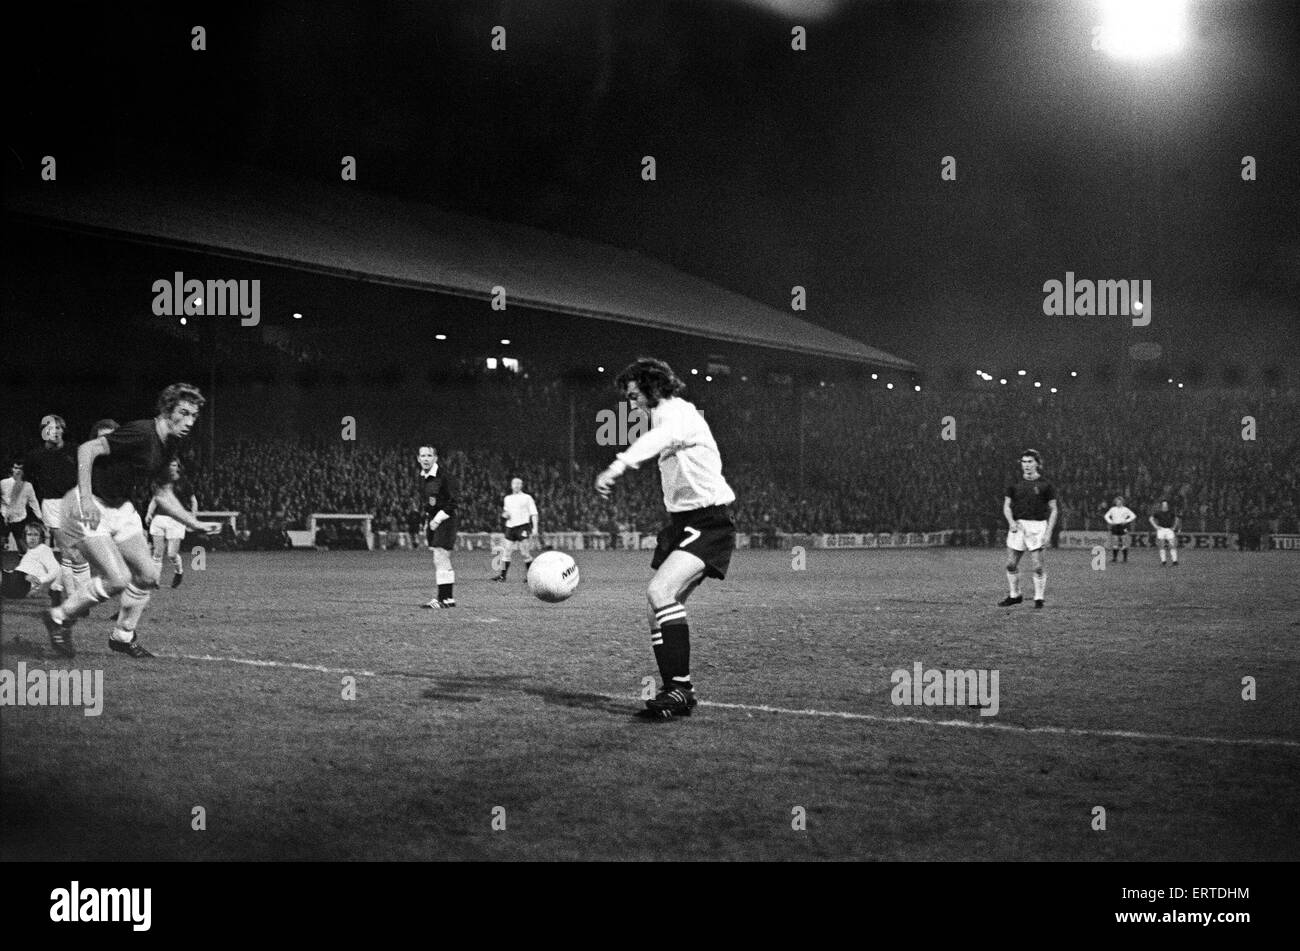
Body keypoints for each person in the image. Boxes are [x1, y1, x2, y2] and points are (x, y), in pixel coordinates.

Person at [595, 357, 736, 720]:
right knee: (655, 609)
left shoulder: (680, 415)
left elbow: (662, 438)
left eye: (633, 394)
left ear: (651, 387)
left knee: (660, 593)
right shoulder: (663, 416)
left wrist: (618, 464)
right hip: (683, 522)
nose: (631, 403)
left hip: (710, 521)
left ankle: (679, 689)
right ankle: (678, 690)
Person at [41, 384, 221, 659]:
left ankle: (123, 635)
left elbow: (162, 492)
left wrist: (193, 523)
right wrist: (86, 498)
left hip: (120, 507)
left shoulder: (171, 442)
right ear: (166, 410)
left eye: (193, 416)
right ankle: (58, 617)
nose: (189, 421)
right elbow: (87, 449)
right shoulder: (142, 432)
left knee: (148, 576)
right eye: (183, 413)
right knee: (118, 578)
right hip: (89, 503)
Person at [24, 414, 80, 593]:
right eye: (49, 428)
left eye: (58, 427)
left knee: (75, 553)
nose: (54, 431)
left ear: (63, 430)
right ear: (43, 432)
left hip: (73, 504)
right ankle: (73, 595)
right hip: (52, 505)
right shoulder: (35, 456)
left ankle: (56, 586)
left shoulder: (75, 450)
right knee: (68, 551)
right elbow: (27, 481)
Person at [999, 449, 1058, 609]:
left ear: (1037, 464)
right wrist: (1011, 521)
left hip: (1038, 526)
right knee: (1011, 564)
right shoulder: (1014, 484)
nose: (1026, 465)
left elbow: (1054, 509)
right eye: (1024, 462)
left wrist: (1049, 532)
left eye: (1030, 462)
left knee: (1038, 566)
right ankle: (1015, 595)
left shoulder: (1046, 485)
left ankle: (1039, 598)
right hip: (1018, 526)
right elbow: (1006, 506)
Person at [145, 458, 198, 587]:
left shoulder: (184, 483)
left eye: (174, 465)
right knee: (157, 552)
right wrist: (149, 513)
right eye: (169, 464)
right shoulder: (162, 482)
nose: (171, 467)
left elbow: (193, 501)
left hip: (176, 520)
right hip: (159, 518)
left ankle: (179, 571)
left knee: (172, 554)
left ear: (178, 467)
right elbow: (155, 499)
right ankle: (154, 580)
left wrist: (193, 517)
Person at [417, 445, 458, 608]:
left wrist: (437, 519)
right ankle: (448, 599)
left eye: (429, 455)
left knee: (440, 557)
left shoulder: (444, 476)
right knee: (441, 558)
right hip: (433, 520)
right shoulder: (422, 477)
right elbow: (428, 502)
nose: (426, 458)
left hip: (445, 520)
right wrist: (427, 520)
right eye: (423, 456)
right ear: (418, 459)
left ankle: (442, 599)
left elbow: (453, 502)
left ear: (435, 458)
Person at [1, 523, 62, 602]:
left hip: (21, 581)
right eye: (29, 535)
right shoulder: (29, 552)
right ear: (25, 537)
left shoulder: (43, 549)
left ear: (41, 538)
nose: (32, 538)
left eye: (36, 535)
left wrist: (40, 580)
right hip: (16, 579)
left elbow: (57, 570)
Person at [494, 477, 539, 582]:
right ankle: (502, 576)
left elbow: (534, 513)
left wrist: (535, 528)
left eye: (519, 483)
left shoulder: (527, 497)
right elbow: (506, 512)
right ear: (511, 485)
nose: (516, 485)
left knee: (525, 553)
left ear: (521, 485)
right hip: (510, 527)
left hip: (522, 526)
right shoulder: (507, 498)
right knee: (506, 552)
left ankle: (531, 577)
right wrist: (505, 515)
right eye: (514, 483)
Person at [2, 460, 41, 553]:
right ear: (12, 469)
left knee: (22, 545)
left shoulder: (27, 486)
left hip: (20, 519)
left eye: (20, 468)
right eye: (16, 468)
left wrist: (40, 517)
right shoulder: (3, 483)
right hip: (4, 518)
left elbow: (33, 502)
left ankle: (23, 566)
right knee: (1, 541)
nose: (18, 470)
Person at [1103, 494, 1137, 564]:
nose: (1118, 503)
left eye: (1119, 501)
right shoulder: (1112, 509)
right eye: (1117, 501)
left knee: (1124, 542)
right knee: (1115, 542)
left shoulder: (1126, 509)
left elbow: (1133, 516)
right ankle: (1115, 558)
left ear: (1122, 502)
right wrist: (1111, 522)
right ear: (1115, 502)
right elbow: (1106, 516)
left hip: (1123, 526)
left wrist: (1126, 521)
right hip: (1115, 526)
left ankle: (1125, 559)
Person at [1150, 499, 1181, 566]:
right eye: (1163, 504)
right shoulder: (1158, 513)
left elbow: (1177, 519)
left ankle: (1175, 561)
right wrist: (1155, 526)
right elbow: (1151, 519)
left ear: (1167, 505)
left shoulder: (1171, 512)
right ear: (1161, 505)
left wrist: (1174, 527)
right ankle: (1163, 561)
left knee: (1172, 545)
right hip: (1161, 530)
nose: (1165, 505)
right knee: (1161, 546)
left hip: (1169, 530)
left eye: (1166, 504)